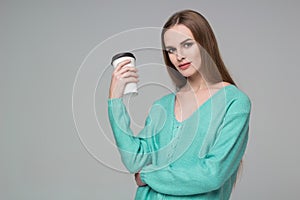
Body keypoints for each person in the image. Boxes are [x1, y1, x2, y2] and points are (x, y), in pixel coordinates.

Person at [108, 9, 251, 200]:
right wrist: (115, 100)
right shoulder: (162, 106)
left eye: (187, 44)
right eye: (171, 50)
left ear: (205, 44)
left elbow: (212, 174)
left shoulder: (234, 102)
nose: (179, 56)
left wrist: (147, 175)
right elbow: (135, 161)